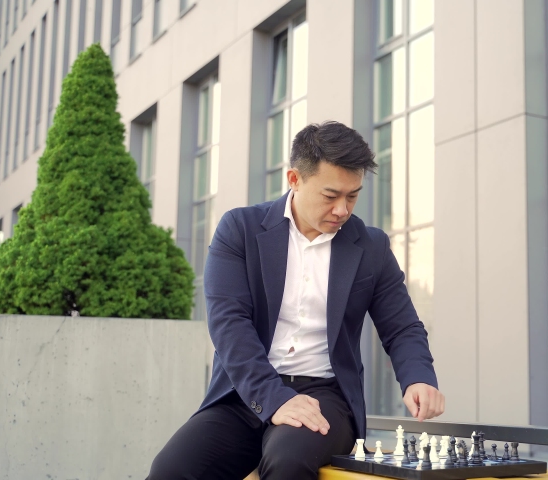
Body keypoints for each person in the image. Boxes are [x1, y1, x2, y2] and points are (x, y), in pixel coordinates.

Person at [148, 121, 444, 479]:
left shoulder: (371, 246)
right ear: (294, 179)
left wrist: (418, 377)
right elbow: (229, 325)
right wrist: (274, 399)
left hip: (325, 397)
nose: (342, 209)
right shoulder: (239, 230)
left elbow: (402, 326)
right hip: (246, 392)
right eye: (330, 195)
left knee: (287, 462)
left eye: (352, 196)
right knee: (171, 469)